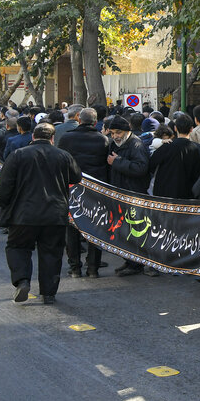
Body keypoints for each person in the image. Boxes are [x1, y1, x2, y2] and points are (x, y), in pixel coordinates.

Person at [0, 122, 81, 305]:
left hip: (23, 213)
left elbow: (3, 187)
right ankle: (48, 293)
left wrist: (3, 206)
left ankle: (22, 280)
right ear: (52, 138)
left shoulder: (18, 155)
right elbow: (76, 177)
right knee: (52, 252)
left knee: (17, 247)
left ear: (33, 136)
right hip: (55, 213)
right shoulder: (63, 155)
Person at [58, 108, 110, 278]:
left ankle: (74, 268)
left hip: (72, 188)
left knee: (72, 228)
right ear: (95, 122)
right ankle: (93, 268)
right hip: (96, 190)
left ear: (79, 120)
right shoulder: (102, 139)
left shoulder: (66, 138)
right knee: (96, 228)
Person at [104, 116, 151, 276]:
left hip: (133, 193)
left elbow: (141, 168)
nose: (115, 136)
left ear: (127, 131)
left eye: (118, 132)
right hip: (120, 193)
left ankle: (136, 264)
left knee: (134, 231)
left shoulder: (136, 145)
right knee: (123, 231)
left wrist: (117, 162)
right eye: (112, 133)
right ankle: (129, 260)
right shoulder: (115, 144)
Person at [148, 116, 200, 199]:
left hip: (165, 193)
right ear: (191, 129)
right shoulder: (198, 148)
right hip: (188, 193)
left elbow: (151, 164)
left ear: (175, 128)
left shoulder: (166, 146)